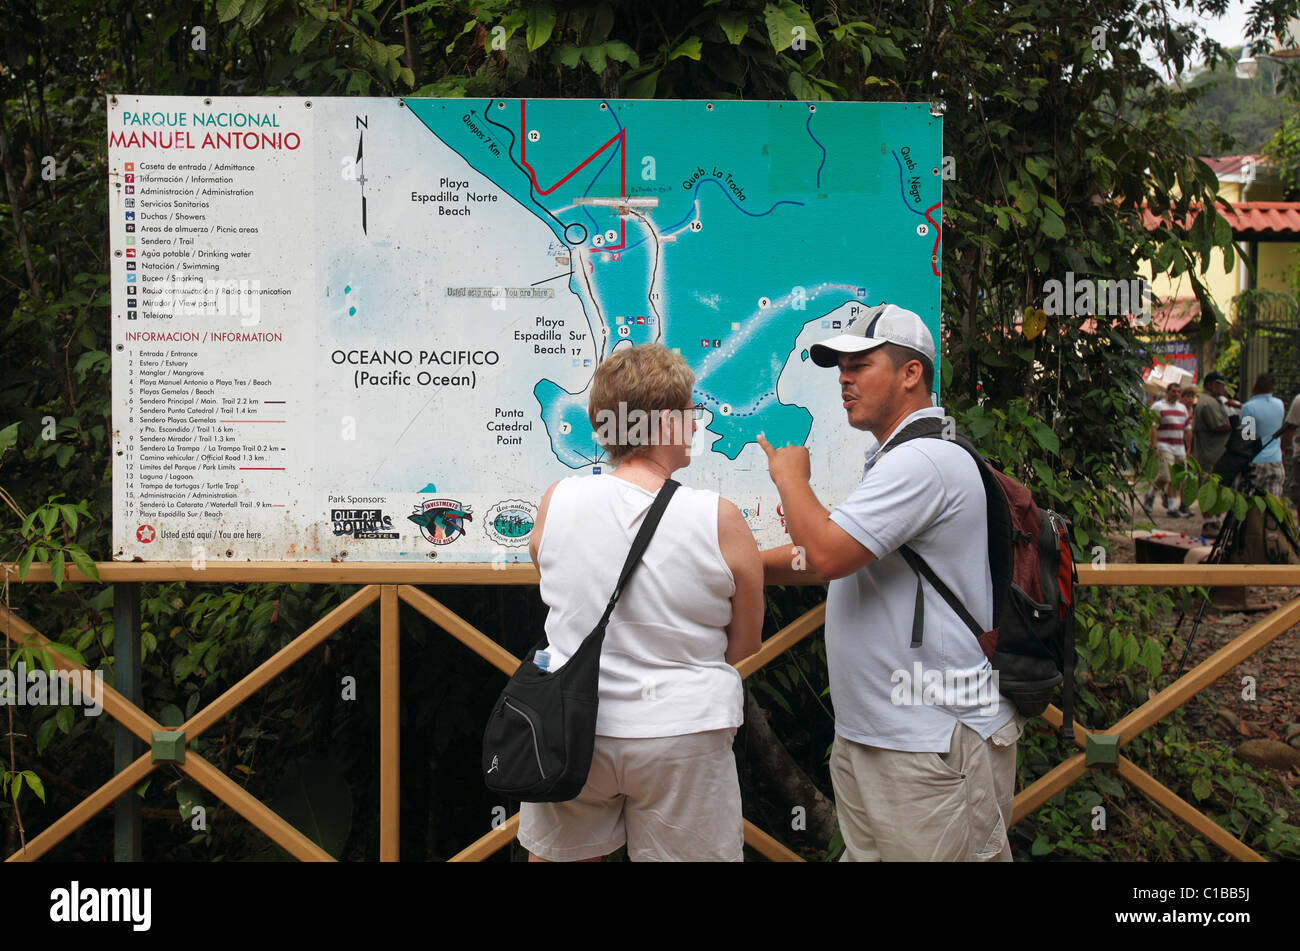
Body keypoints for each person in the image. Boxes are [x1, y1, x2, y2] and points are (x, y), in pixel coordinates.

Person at [757, 303, 1022, 862]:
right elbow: (841, 552)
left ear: (911, 374)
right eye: (839, 367)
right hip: (881, 737)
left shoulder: (923, 462)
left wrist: (790, 478)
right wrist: (740, 564)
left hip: (931, 741)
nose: (844, 380)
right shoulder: (895, 459)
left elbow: (827, 553)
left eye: (860, 364)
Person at [518, 342, 763, 862]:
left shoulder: (556, 501)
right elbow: (743, 649)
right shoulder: (719, 519)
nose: (697, 426)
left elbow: (552, 576)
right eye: (691, 413)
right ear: (668, 423)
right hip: (684, 735)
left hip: (573, 729)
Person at [1192, 372, 1233, 534]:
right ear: (1209, 385)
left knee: (1216, 488)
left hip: (1215, 453)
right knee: (1209, 488)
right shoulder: (1208, 402)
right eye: (1219, 384)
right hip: (1210, 454)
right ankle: (1209, 523)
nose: (1223, 388)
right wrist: (1238, 424)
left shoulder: (1213, 401)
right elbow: (1218, 426)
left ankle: (1215, 521)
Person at [1144, 381, 1190, 516]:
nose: (1176, 394)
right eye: (1174, 391)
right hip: (1164, 445)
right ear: (1167, 392)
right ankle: (1171, 508)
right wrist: (1155, 445)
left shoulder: (1182, 408)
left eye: (1178, 391)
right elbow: (1153, 426)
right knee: (1166, 475)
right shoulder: (1158, 406)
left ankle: (1152, 494)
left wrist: (1189, 448)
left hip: (1179, 447)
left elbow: (1188, 429)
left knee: (1179, 477)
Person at [1240, 373, 1286, 498]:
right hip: (1276, 461)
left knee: (1251, 504)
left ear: (1257, 385)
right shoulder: (1279, 404)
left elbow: (1247, 438)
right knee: (1273, 507)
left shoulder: (1248, 408)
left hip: (1256, 463)